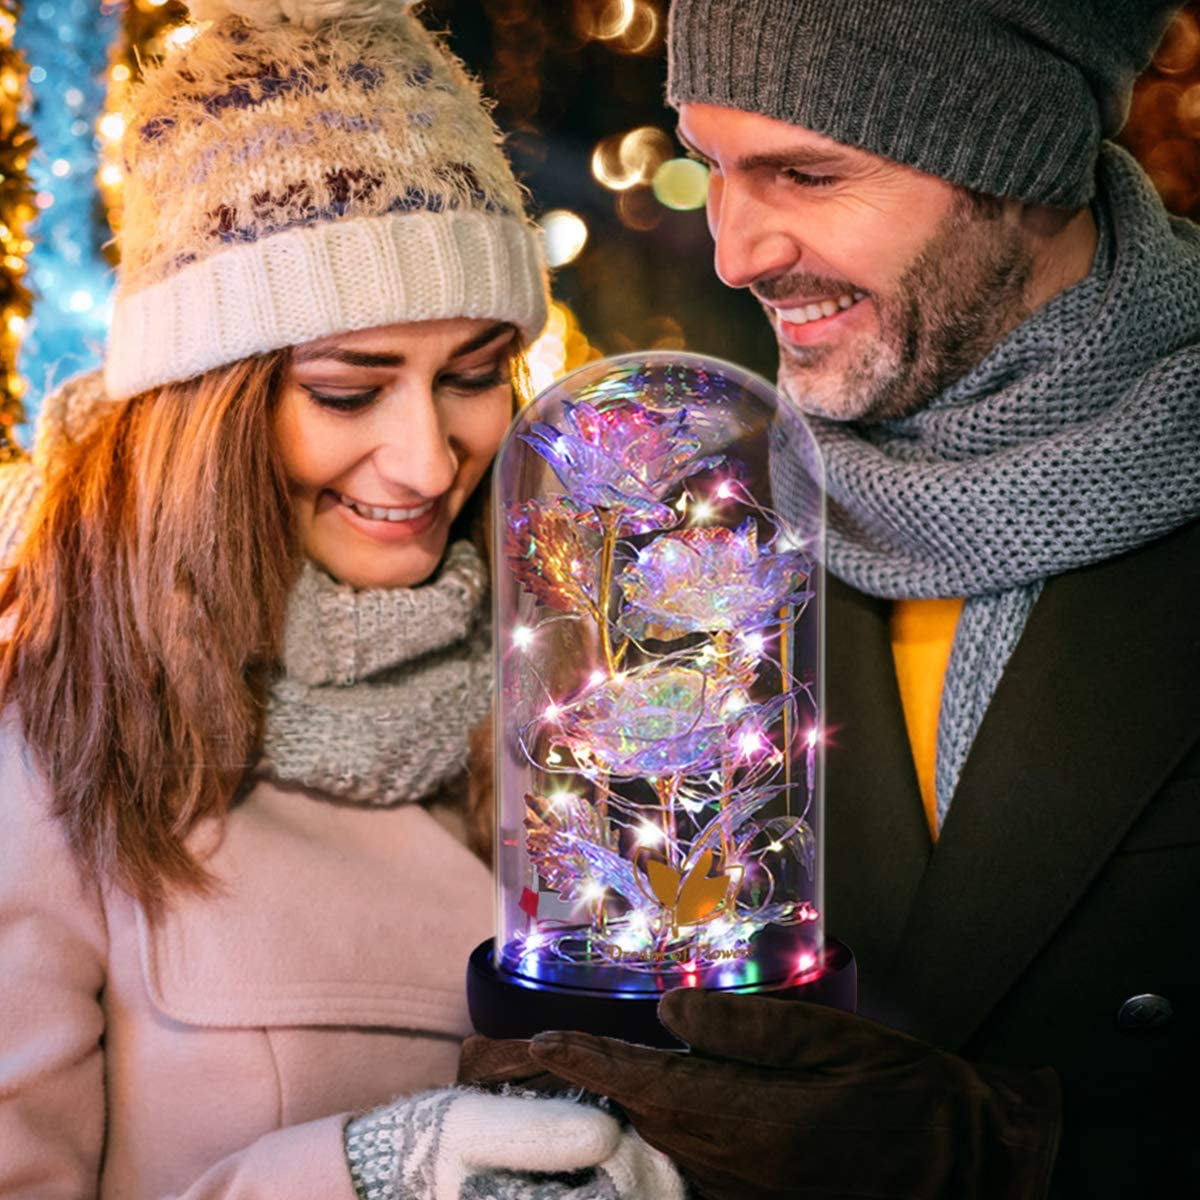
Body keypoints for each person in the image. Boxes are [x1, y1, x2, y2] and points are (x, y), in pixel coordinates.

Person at [484, 2, 1200, 1197]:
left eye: (808, 173)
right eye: (712, 167)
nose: (735, 251)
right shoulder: (694, 515)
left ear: (1013, 157)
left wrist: (1021, 1157)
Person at [0, 1, 685, 1197]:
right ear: (206, 408)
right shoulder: (47, 746)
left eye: (474, 376)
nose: (428, 461)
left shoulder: (572, 694)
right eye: (345, 390)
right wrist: (366, 1173)